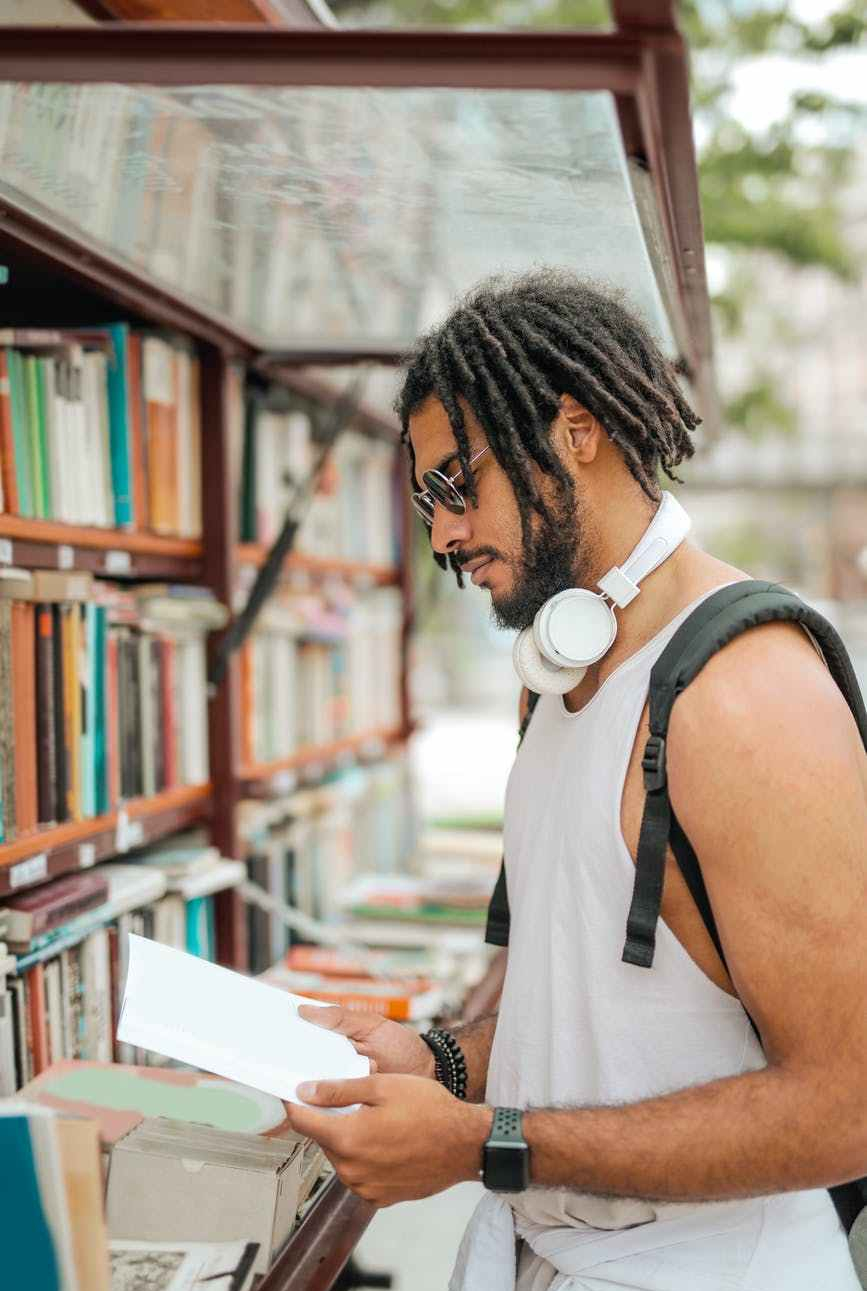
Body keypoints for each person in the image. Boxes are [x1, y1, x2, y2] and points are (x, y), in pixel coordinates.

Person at [287, 270, 866, 1290]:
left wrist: (484, 1143)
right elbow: (583, 1014)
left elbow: (852, 1104)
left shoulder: (742, 695)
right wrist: (442, 1064)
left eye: (456, 484)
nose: (443, 537)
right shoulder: (554, 683)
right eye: (428, 499)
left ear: (576, 431)